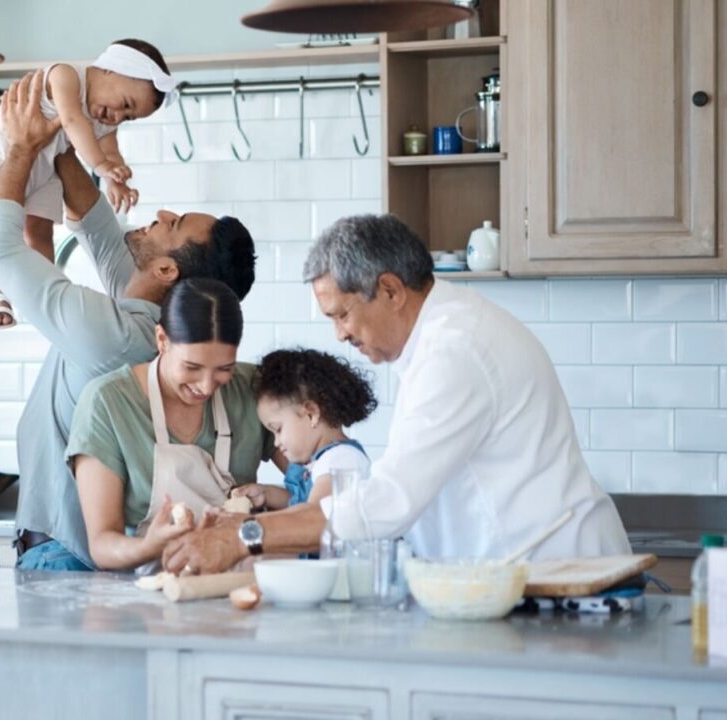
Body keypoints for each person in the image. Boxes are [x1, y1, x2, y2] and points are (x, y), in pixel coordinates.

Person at [162, 213, 630, 575]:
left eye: (342, 314)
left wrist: (242, 535)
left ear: (389, 290)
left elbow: (387, 504)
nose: (341, 334)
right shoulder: (445, 334)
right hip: (525, 573)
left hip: (554, 576)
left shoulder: (454, 351)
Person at [0, 70, 257, 571]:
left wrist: (18, 149)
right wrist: (58, 133)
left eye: (175, 222)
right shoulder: (148, 309)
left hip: (64, 554)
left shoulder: (116, 340)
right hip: (93, 555)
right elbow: (95, 221)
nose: (162, 212)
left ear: (166, 270)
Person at [67, 278, 282, 571]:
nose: (206, 387)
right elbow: (102, 544)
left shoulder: (253, 389)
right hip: (152, 590)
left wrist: (273, 496)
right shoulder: (108, 402)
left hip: (240, 581)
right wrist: (148, 547)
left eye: (224, 369)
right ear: (161, 340)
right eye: (192, 367)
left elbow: (316, 481)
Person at [0, 39, 175, 328]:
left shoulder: (106, 114)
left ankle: (45, 289)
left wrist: (115, 177)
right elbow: (73, 121)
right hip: (3, 155)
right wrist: (100, 167)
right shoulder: (66, 76)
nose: (117, 117)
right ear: (110, 70)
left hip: (47, 165)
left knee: (39, 231)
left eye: (128, 117)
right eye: (125, 105)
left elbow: (109, 146)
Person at [232, 348, 376, 511]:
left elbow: (312, 516)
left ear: (311, 413)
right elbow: (299, 501)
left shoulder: (341, 460)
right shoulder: (317, 463)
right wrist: (264, 494)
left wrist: (254, 525)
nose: (276, 442)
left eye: (278, 429)